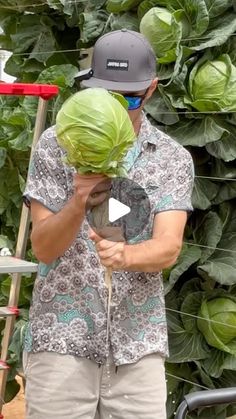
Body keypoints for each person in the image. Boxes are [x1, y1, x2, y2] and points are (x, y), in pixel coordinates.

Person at [23, 29, 194, 419]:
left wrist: (126, 255)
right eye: (109, 96)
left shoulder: (171, 158)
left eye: (130, 98)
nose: (119, 107)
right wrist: (79, 200)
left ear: (151, 90)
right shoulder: (56, 145)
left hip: (137, 347)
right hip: (61, 342)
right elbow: (44, 247)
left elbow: (168, 245)